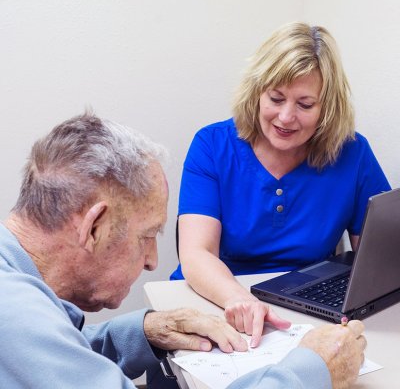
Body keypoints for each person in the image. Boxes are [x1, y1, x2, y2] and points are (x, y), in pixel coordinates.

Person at [0, 111, 366, 389]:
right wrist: (312, 370)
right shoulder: (14, 314)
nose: (152, 261)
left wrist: (144, 331)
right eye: (147, 236)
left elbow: (56, 357)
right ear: (94, 226)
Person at [170, 21, 391, 348]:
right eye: (276, 98)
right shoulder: (212, 145)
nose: (286, 118)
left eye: (305, 105)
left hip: (304, 311)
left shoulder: (353, 154)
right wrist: (238, 300)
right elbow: (196, 253)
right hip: (215, 300)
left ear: (327, 108)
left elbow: (378, 259)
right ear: (257, 92)